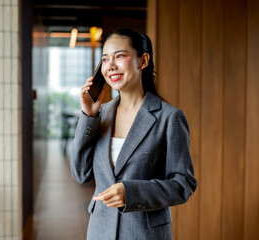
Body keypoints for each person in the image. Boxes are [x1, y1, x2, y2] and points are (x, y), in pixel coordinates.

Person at [71, 29, 197, 240]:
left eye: (119, 56)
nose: (110, 65)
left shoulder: (169, 117)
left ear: (143, 60)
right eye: (105, 59)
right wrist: (88, 116)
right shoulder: (99, 115)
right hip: (100, 231)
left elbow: (183, 184)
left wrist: (131, 192)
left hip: (144, 233)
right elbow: (81, 173)